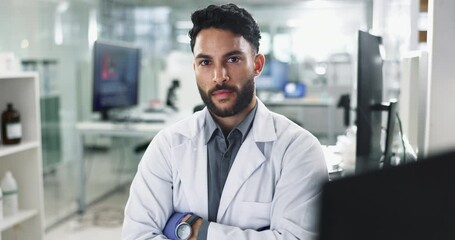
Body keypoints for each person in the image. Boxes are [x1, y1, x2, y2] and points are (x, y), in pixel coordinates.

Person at [122, 3, 328, 240]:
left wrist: (197, 232)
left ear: (257, 65)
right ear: (195, 68)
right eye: (206, 63)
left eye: (232, 59)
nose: (219, 76)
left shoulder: (298, 149)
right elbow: (137, 235)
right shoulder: (167, 145)